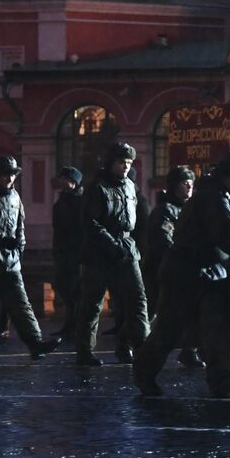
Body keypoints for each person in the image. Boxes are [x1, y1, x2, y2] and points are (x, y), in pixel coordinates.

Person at [134, 152, 230, 397]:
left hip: (214, 275)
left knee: (218, 329)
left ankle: (222, 381)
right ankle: (143, 373)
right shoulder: (211, 198)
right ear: (225, 176)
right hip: (185, 274)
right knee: (170, 329)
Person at [0, 155, 58, 360]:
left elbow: (19, 226)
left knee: (21, 304)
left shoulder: (15, 197)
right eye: (6, 175)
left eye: (13, 175)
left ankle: (35, 343)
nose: (10, 179)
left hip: (9, 263)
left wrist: (18, 249)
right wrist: (4, 240)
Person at [75, 142, 148, 366]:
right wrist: (112, 244)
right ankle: (85, 351)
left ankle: (139, 347)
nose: (125, 167)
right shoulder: (97, 187)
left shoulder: (130, 186)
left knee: (136, 300)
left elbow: (138, 218)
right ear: (111, 163)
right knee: (93, 303)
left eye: (128, 163)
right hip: (99, 254)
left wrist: (135, 245)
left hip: (127, 248)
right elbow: (91, 222)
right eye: (121, 162)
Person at [143, 166, 200, 368]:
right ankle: (134, 346)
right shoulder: (165, 211)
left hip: (185, 270)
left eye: (191, 183)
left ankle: (189, 350)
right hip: (163, 270)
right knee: (156, 313)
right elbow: (163, 241)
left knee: (191, 312)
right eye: (184, 183)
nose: (189, 186)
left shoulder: (192, 208)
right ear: (175, 186)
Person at [50, 167, 84, 345]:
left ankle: (75, 324)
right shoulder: (62, 199)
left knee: (76, 290)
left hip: (75, 252)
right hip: (63, 251)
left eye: (66, 178)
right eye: (62, 177)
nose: (62, 181)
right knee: (64, 288)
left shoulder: (80, 201)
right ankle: (69, 323)